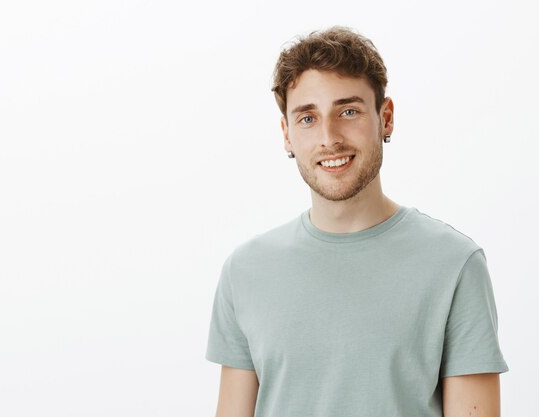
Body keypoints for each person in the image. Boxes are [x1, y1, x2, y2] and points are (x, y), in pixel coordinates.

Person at [205, 25, 509, 417]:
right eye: (307, 118)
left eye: (348, 111)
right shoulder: (245, 271)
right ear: (286, 134)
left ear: (386, 117)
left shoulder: (454, 265)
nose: (329, 137)